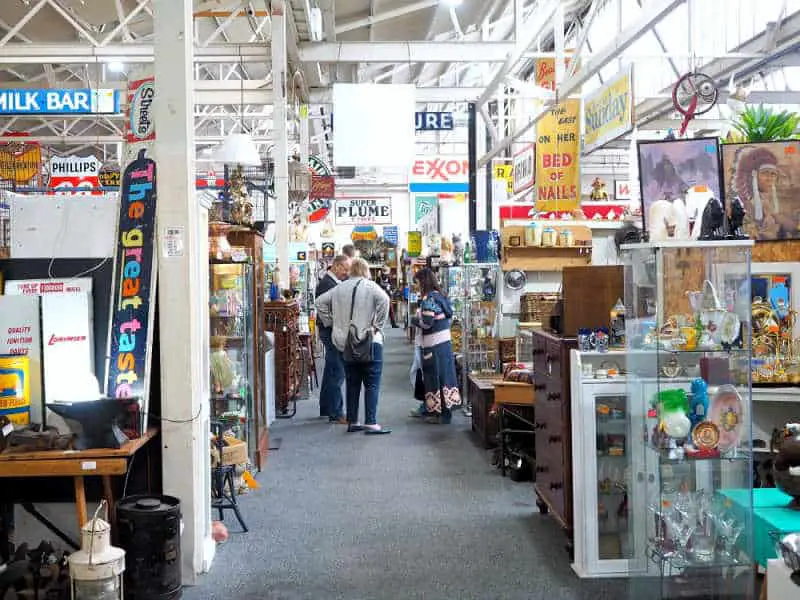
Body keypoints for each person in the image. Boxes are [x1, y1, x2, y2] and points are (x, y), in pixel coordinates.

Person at [316, 258, 391, 435]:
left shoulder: (339, 287)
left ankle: (353, 420)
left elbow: (319, 302)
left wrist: (331, 322)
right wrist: (378, 325)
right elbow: (385, 300)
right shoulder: (370, 286)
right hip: (368, 340)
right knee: (372, 382)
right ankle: (371, 422)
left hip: (345, 342)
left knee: (352, 382)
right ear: (366, 270)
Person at [411, 268, 461, 424]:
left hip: (433, 346)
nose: (416, 286)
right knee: (445, 378)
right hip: (444, 344)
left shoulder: (428, 300)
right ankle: (444, 414)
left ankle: (439, 414)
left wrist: (413, 320)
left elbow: (426, 323)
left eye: (417, 283)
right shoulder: (440, 296)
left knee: (434, 378)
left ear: (423, 281)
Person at [315, 254, 351, 422]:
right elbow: (323, 307)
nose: (347, 272)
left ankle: (327, 408)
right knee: (337, 370)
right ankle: (336, 412)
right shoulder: (327, 284)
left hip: (330, 331)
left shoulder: (332, 283)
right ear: (336, 266)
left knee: (331, 371)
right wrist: (331, 323)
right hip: (331, 333)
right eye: (345, 268)